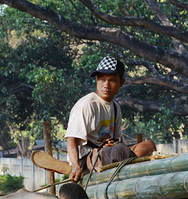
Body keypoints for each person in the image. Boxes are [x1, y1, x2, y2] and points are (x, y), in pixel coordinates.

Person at [65, 55, 155, 183]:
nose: (106, 85)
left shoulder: (115, 107)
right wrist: (75, 167)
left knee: (148, 145)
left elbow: (114, 139)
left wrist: (110, 144)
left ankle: (131, 164)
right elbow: (71, 139)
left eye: (112, 80)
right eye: (102, 79)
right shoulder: (86, 105)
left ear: (121, 83)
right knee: (120, 151)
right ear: (97, 79)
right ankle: (134, 166)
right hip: (88, 160)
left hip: (108, 154)